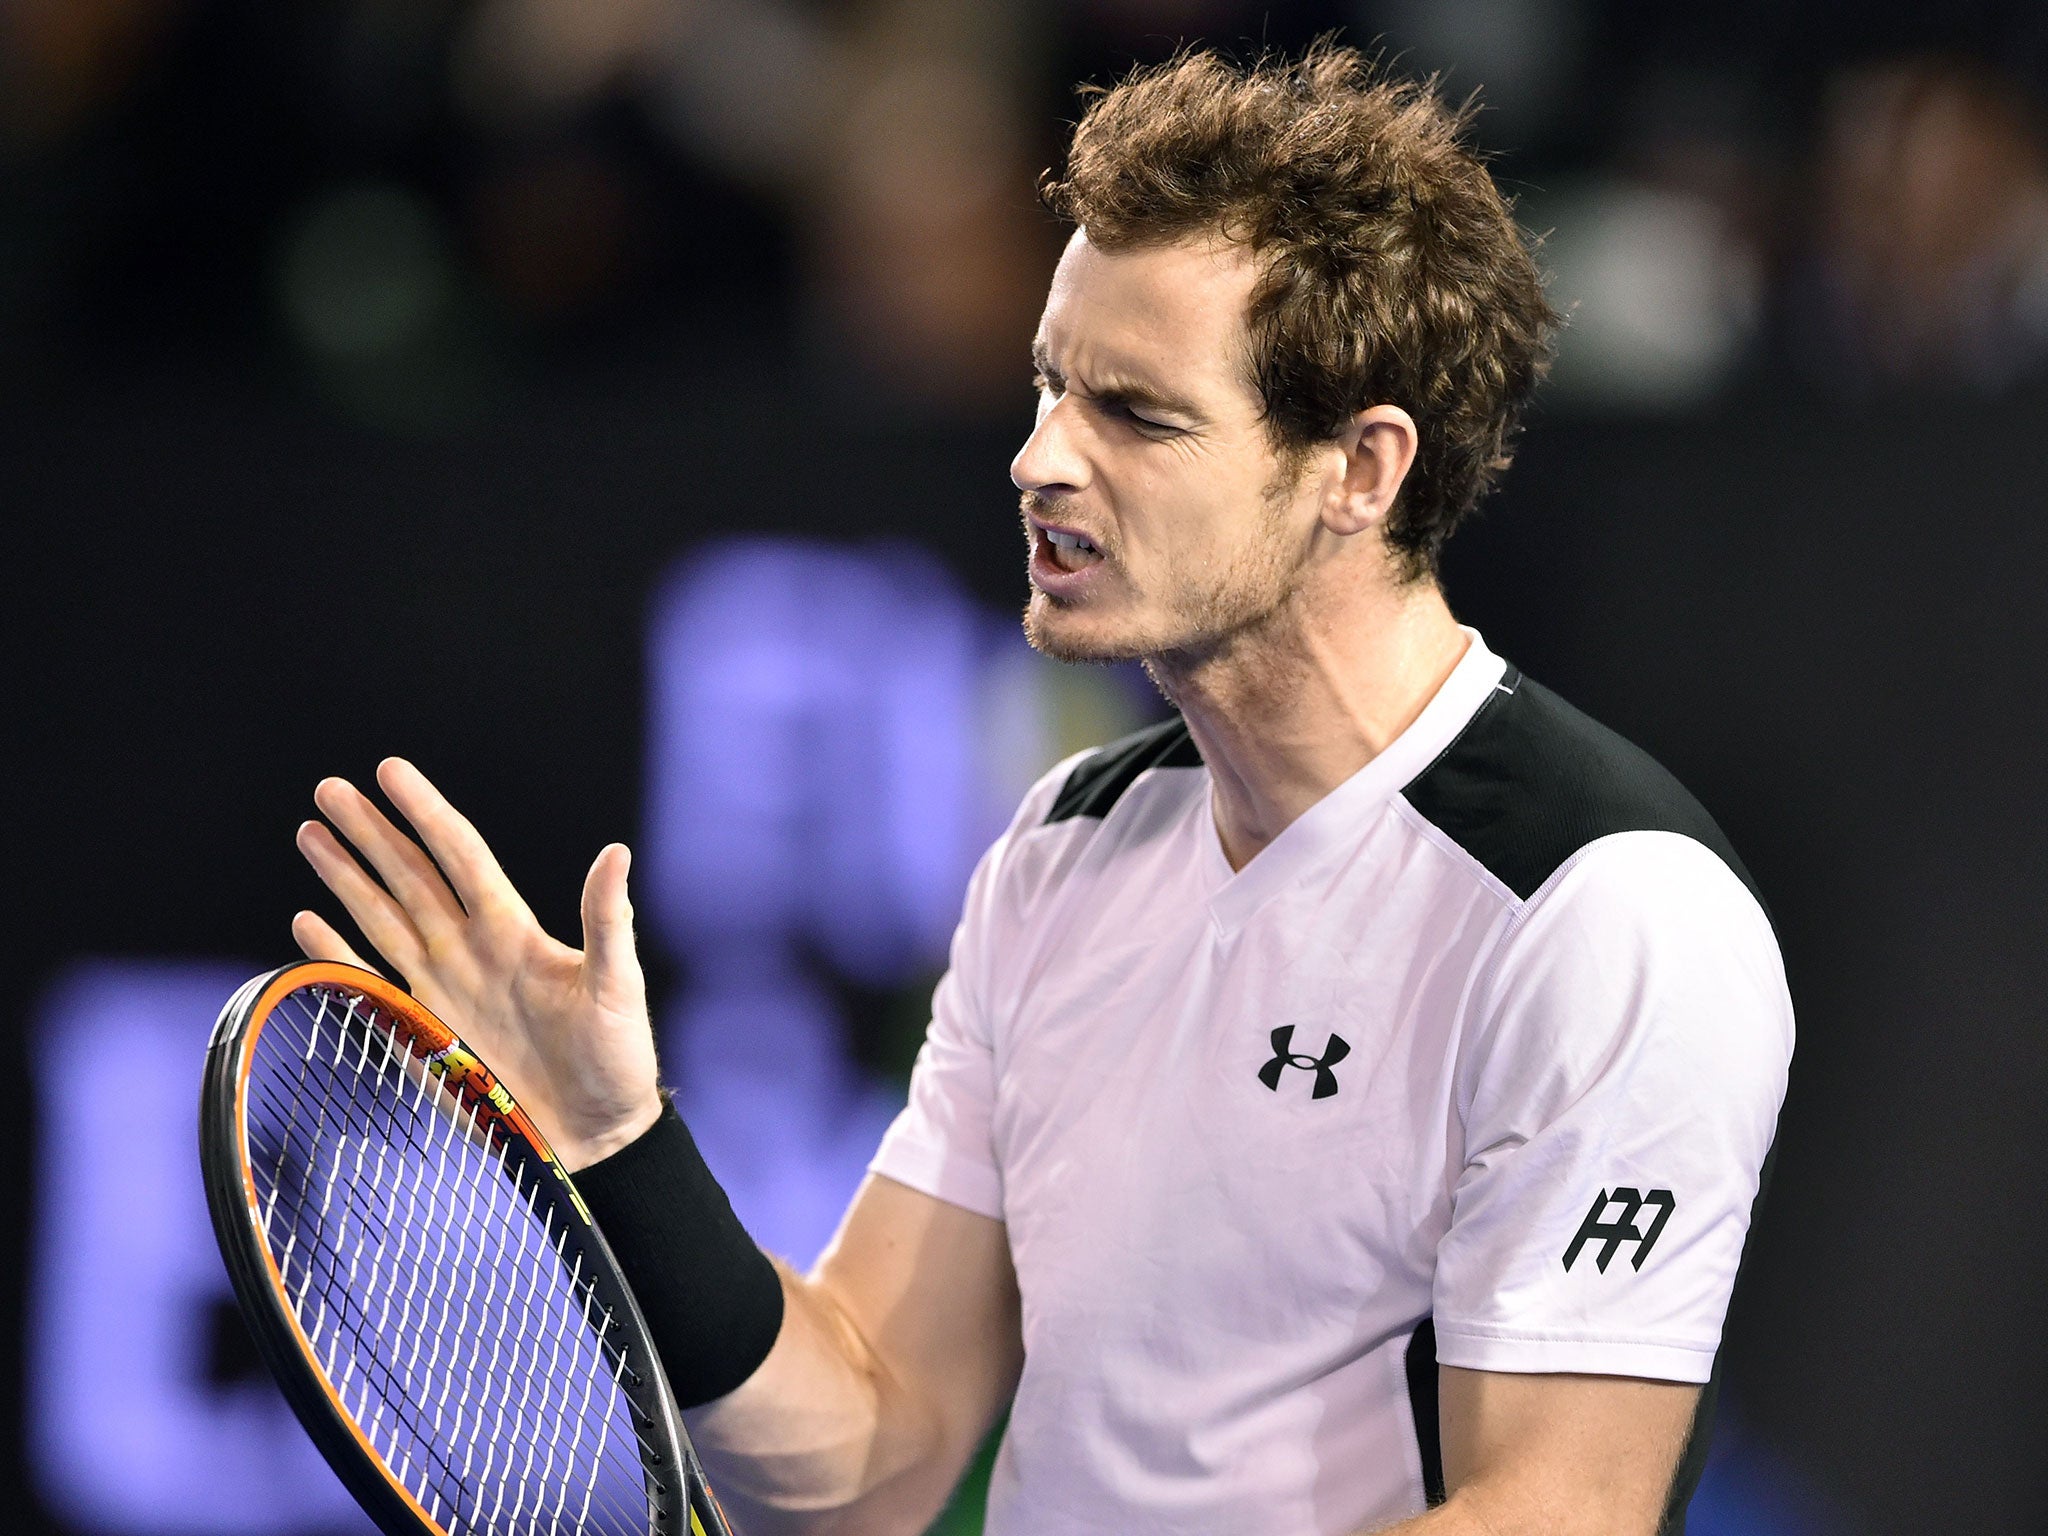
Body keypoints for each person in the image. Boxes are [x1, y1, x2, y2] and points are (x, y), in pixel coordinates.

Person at [292, 44, 1791, 1536]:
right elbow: (872, 1455)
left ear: (1360, 470)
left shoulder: (1607, 909)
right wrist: (623, 1154)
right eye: (1047, 386)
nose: (1037, 460)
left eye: (1135, 414)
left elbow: (1557, 1516)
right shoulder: (1064, 852)